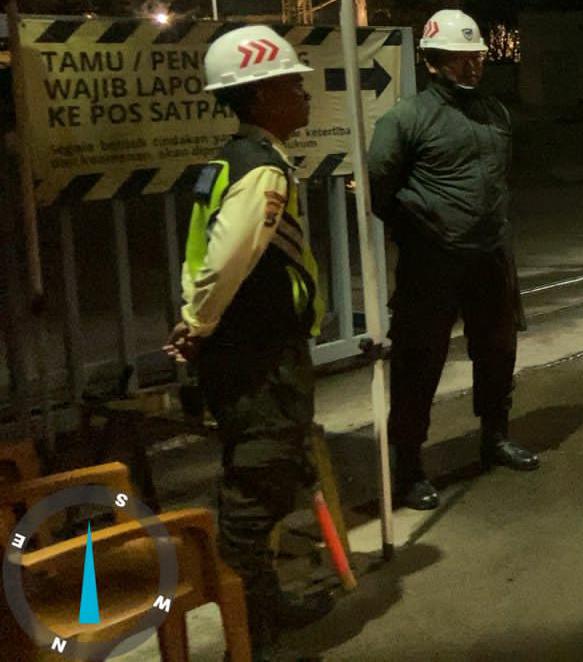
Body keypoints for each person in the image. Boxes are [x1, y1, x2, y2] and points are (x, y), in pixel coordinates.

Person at [164, 25, 332, 660]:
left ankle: (266, 609)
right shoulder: (262, 171)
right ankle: (253, 634)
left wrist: (194, 321)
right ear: (261, 97)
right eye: (292, 85)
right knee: (254, 494)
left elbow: (201, 257)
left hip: (242, 350)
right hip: (258, 357)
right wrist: (199, 324)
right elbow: (228, 259)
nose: (304, 96)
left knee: (263, 474)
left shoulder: (229, 159)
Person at [368, 9, 539, 511]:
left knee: (497, 351)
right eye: (459, 59)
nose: (472, 67)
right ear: (432, 62)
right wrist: (418, 230)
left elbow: (502, 176)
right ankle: (408, 465)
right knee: (419, 362)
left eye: (476, 57)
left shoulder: (493, 113)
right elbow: (380, 186)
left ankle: (495, 436)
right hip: (432, 261)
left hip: (490, 255)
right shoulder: (406, 119)